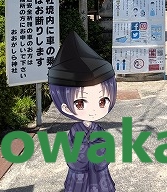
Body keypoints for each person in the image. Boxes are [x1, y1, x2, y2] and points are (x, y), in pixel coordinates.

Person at [48, 31, 117, 192]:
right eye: (80, 103)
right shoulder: (73, 132)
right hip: (79, 180)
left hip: (100, 179)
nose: (93, 110)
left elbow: (106, 155)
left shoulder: (99, 130)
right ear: (65, 107)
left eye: (102, 101)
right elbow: (73, 160)